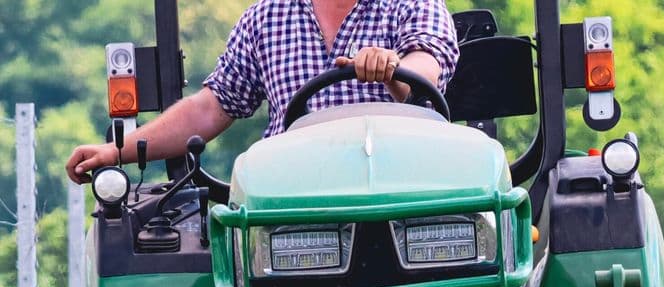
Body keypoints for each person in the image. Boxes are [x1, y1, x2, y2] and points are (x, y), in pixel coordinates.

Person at [66, 0, 459, 184]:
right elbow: (210, 108)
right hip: (291, 193)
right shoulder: (267, 17)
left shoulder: (415, 5)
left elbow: (423, 77)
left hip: (395, 186)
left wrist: (392, 70)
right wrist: (119, 148)